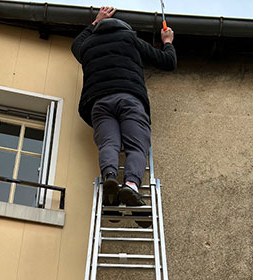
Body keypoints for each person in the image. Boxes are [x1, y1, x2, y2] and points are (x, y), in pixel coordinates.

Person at [71, 6, 176, 219]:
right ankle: (130, 185)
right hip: (129, 99)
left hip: (99, 102)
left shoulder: (88, 45)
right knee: (136, 146)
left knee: (109, 143)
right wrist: (167, 42)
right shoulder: (130, 39)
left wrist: (94, 22)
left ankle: (110, 174)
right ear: (125, 28)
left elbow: (76, 46)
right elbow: (167, 62)